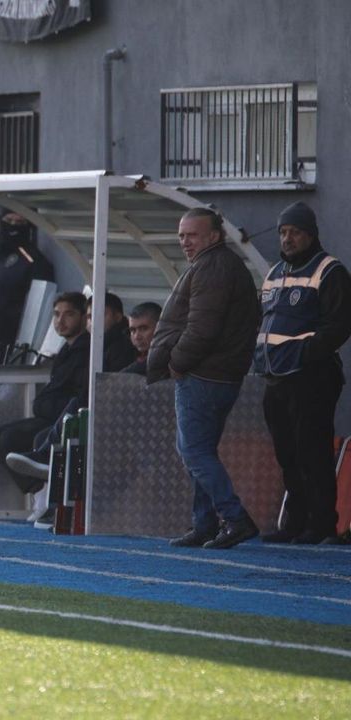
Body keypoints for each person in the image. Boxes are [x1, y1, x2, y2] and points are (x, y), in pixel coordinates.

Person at [148, 208, 261, 550]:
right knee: (199, 451)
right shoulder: (217, 264)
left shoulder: (213, 267)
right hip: (216, 373)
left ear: (214, 236)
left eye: (192, 235)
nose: (185, 241)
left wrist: (177, 363)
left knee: (194, 452)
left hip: (205, 374)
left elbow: (202, 328)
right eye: (181, 235)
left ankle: (235, 519)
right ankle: (204, 524)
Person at [253, 202, 351, 544]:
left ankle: (321, 524)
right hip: (275, 377)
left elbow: (338, 325)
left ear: (310, 234)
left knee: (312, 452)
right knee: (287, 453)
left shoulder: (329, 270)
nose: (287, 238)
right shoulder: (274, 272)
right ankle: (294, 522)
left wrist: (303, 354)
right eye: (283, 232)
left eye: (294, 232)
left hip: (311, 377)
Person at [0, 291, 89, 493]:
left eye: (69, 314)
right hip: (48, 414)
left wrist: (44, 406)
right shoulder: (65, 350)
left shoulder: (86, 351)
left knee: (10, 438)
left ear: (84, 317)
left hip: (62, 419)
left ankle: (41, 489)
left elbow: (77, 396)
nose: (60, 321)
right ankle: (35, 486)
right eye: (56, 314)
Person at [0, 210, 55, 351]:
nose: (13, 225)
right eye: (9, 220)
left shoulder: (34, 259)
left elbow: (36, 305)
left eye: (20, 222)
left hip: (8, 332)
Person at [98, 292, 138, 371]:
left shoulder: (122, 347)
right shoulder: (97, 343)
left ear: (118, 317)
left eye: (102, 315)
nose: (94, 320)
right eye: (90, 316)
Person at [121, 302, 162, 375]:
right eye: (132, 330)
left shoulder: (171, 357)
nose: (137, 337)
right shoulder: (127, 353)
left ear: (159, 328)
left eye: (143, 329)